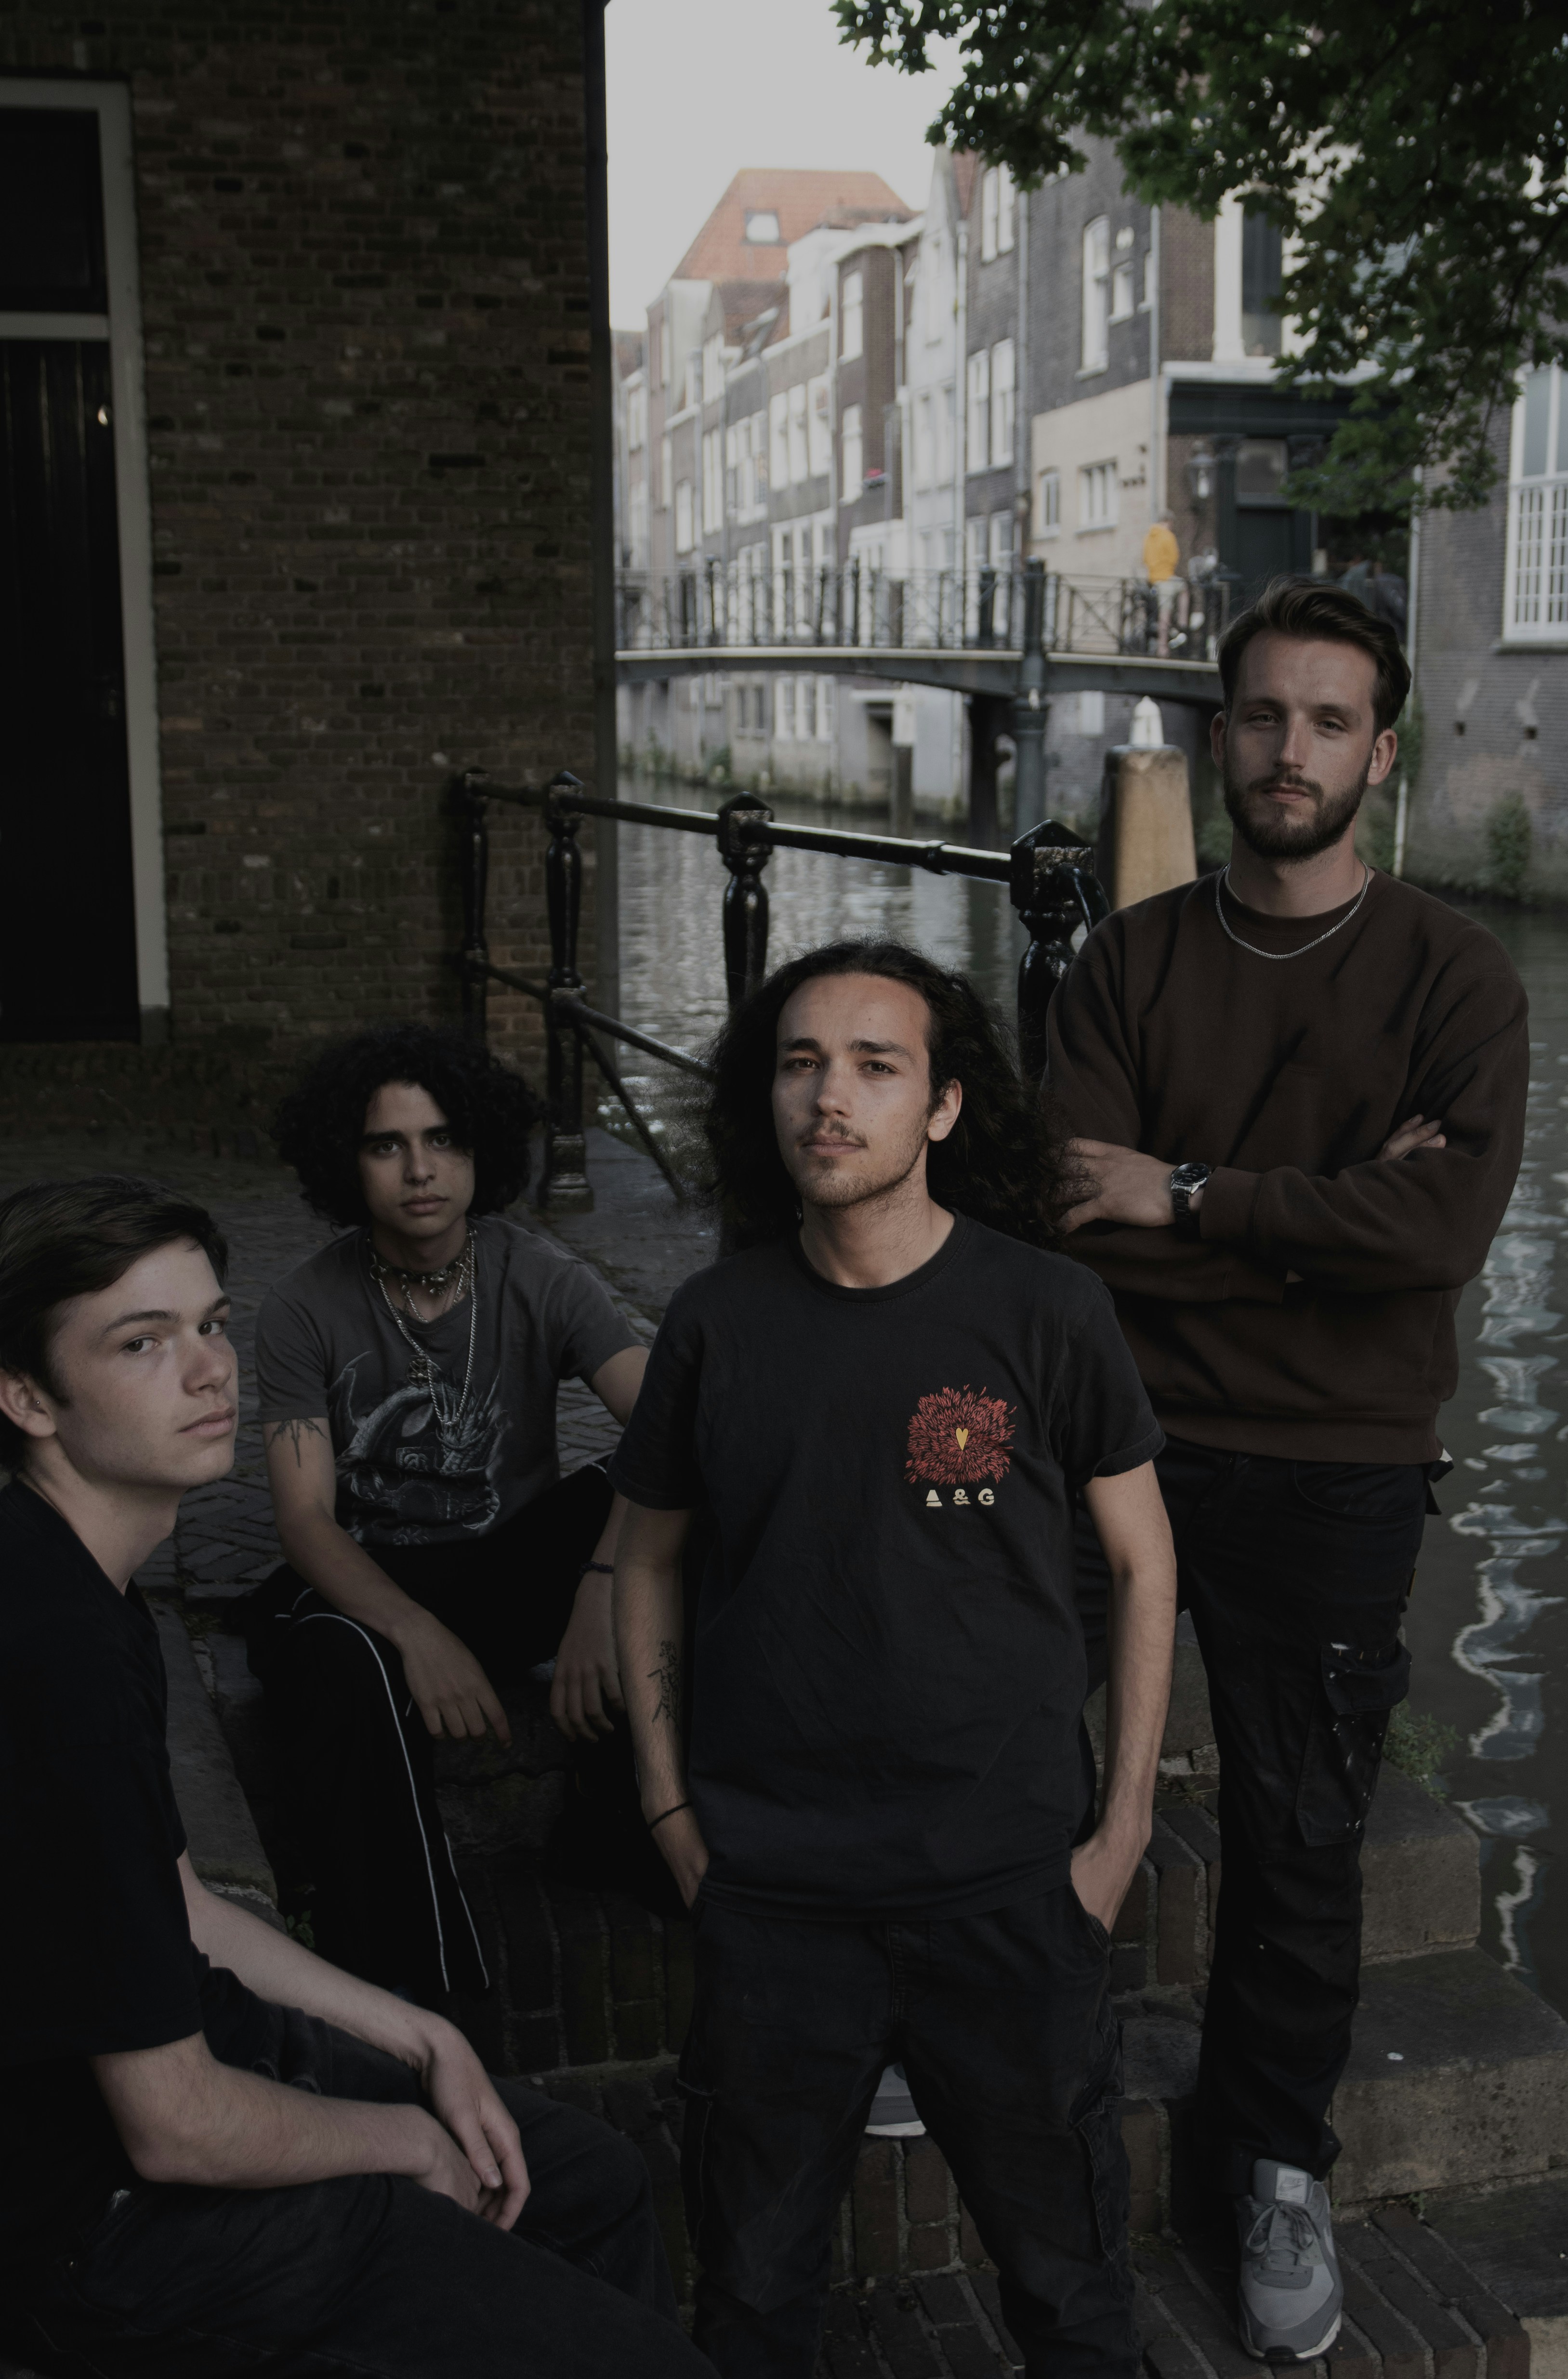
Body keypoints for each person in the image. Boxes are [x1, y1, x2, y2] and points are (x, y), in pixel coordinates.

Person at [1047, 575, 1528, 2360]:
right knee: (1012, 1742)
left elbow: (1433, 1233)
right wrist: (1319, 1223)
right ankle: (973, 2051)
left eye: (1327, 721)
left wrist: (1182, 1192)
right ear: (1214, 735)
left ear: (1377, 753)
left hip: (1336, 1465)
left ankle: (1271, 2166)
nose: (1287, 751)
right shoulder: (1129, 961)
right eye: (1259, 716)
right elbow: (1062, 1218)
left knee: (1298, 1832)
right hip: (1125, 1443)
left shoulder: (1451, 977)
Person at [0, 1173, 705, 2379]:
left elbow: (174, 1899)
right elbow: (170, 2123)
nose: (210, 1368)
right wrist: (400, 2140)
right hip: (109, 2223)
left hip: (193, 2073)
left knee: (591, 2179)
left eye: (212, 1324)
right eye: (141, 1341)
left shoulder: (80, 1577)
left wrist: (422, 2032)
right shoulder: (48, 1653)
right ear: (25, 1395)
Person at [610, 941, 1179, 2379]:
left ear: (941, 1106)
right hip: (777, 1893)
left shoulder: (1043, 1310)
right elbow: (651, 1558)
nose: (829, 1096)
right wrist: (671, 1809)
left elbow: (1142, 1562)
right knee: (748, 2293)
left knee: (1070, 2293)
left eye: (874, 1064)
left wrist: (1117, 1830)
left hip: (1004, 1882)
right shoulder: (714, 1321)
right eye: (800, 1061)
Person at [248, 1024, 650, 2006]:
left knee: (632, 1494)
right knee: (331, 1652)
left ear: (480, 1148)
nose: (420, 1170)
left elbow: (670, 1428)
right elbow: (305, 1522)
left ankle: (624, 1837)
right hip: (371, 1584)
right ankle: (422, 1995)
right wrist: (417, 1633)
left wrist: (602, 1589)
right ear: (347, 1163)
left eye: (443, 1140)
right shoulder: (305, 1307)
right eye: (387, 1146)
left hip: (507, 1571)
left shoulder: (537, 1273)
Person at [1142, 511, 1186, 656]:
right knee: (1182, 590)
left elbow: (1145, 558)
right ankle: (1182, 625)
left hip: (1153, 579)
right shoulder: (1168, 536)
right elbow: (1174, 558)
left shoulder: (1149, 537)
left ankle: (1162, 645)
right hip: (1166, 578)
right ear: (1169, 522)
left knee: (1162, 611)